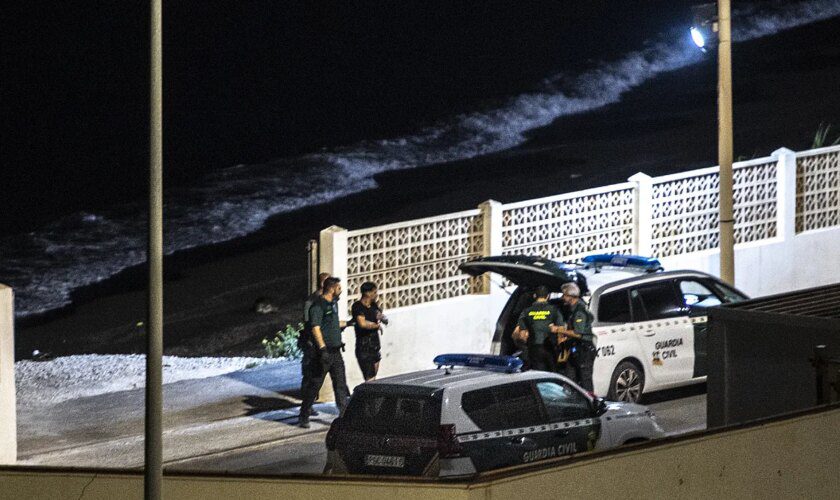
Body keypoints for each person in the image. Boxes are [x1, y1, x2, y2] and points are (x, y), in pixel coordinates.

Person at [299, 277, 350, 428]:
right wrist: (322, 349)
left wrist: (349, 323)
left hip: (336, 352)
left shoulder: (333, 304)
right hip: (323, 353)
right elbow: (316, 328)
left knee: (340, 384)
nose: (340, 291)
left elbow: (333, 324)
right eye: (339, 288)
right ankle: (304, 413)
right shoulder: (318, 306)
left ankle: (343, 414)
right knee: (315, 384)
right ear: (332, 289)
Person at [298, 272, 331, 418]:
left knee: (316, 374)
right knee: (310, 374)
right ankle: (306, 405)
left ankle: (309, 404)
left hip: (319, 341)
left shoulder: (325, 300)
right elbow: (309, 323)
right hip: (311, 342)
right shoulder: (313, 301)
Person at [555, 282, 596, 392]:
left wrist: (560, 330)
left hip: (584, 350)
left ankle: (591, 403)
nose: (563, 297)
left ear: (572, 296)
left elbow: (578, 333)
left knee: (585, 379)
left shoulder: (579, 311)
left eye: (565, 295)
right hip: (576, 348)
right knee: (569, 378)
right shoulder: (573, 310)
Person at [512, 285, 563, 372]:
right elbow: (561, 330)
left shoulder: (526, 311)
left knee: (538, 375)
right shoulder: (554, 310)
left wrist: (523, 347)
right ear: (548, 296)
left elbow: (520, 334)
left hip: (534, 349)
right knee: (553, 375)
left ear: (535, 296)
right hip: (551, 348)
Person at [351, 282, 384, 381]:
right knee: (370, 378)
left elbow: (378, 314)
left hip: (374, 345)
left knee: (373, 377)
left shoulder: (374, 305)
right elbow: (362, 323)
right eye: (374, 292)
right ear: (368, 293)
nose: (376, 294)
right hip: (364, 347)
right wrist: (376, 326)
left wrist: (381, 317)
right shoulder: (357, 307)